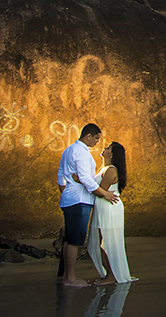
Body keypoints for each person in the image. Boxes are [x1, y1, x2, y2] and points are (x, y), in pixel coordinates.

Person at [56, 123, 119, 288]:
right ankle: (70, 278)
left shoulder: (68, 150)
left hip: (70, 199)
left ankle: (67, 275)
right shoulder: (82, 153)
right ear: (88, 136)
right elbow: (85, 179)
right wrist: (104, 194)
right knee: (75, 241)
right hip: (79, 201)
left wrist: (67, 192)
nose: (97, 142)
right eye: (96, 138)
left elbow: (60, 177)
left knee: (70, 239)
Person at [79, 141, 136, 284]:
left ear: (112, 154)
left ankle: (111, 275)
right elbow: (97, 189)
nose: (104, 148)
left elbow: (98, 191)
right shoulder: (103, 168)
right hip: (102, 208)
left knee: (108, 242)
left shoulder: (111, 170)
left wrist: (81, 181)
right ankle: (109, 274)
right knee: (99, 242)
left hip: (109, 208)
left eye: (108, 148)